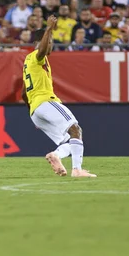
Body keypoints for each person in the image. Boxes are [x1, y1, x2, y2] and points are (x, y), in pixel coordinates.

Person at [22, 16, 96, 178]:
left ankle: (56, 155)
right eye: (50, 40)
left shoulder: (27, 63)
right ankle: (77, 170)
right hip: (46, 101)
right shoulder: (36, 56)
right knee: (75, 129)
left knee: (69, 140)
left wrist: (33, 114)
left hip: (36, 109)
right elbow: (42, 50)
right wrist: (49, 29)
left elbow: (23, 93)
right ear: (44, 41)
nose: (51, 44)